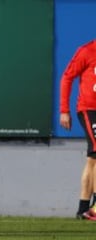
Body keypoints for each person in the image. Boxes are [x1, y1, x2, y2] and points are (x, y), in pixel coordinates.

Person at [59, 40, 96, 220]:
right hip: (90, 109)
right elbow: (67, 77)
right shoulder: (87, 51)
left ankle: (83, 209)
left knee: (92, 160)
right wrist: (64, 110)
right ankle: (95, 208)